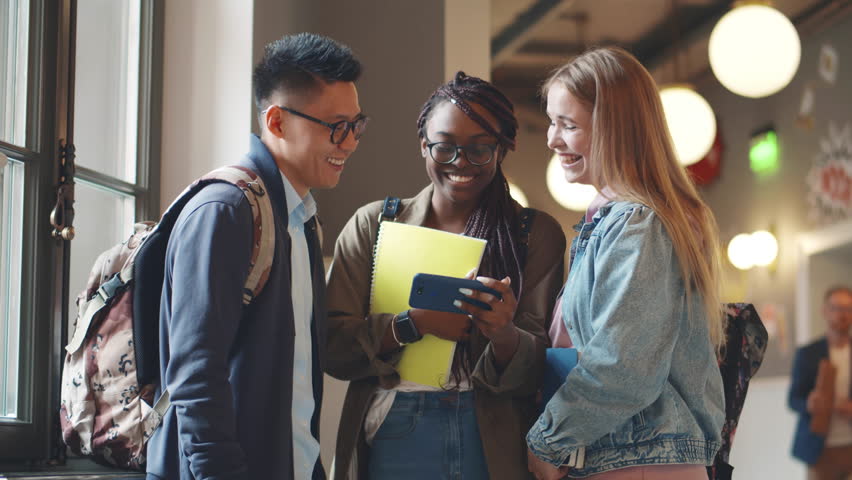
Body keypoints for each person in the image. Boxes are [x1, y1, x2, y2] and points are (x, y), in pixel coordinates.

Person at [145, 33, 367, 480]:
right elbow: (194, 377)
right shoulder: (226, 212)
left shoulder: (299, 218)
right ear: (278, 122)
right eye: (336, 127)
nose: (350, 143)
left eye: (357, 125)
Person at [324, 71, 566, 480]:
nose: (461, 164)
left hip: (493, 435)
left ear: (503, 149)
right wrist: (412, 325)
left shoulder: (533, 234)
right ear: (424, 145)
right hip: (396, 424)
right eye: (445, 148)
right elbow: (333, 348)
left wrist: (502, 332)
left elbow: (539, 370)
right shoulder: (373, 225)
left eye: (480, 150)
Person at [525, 46, 726, 479]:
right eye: (551, 122)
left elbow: (624, 364)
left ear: (614, 128)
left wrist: (548, 440)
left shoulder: (637, 223)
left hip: (635, 459)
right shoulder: (621, 220)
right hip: (631, 455)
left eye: (568, 124)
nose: (552, 139)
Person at [789, 286, 852, 480]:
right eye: (836, 308)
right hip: (819, 449)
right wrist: (809, 403)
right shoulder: (808, 353)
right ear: (825, 311)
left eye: (848, 309)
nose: (842, 314)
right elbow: (793, 399)